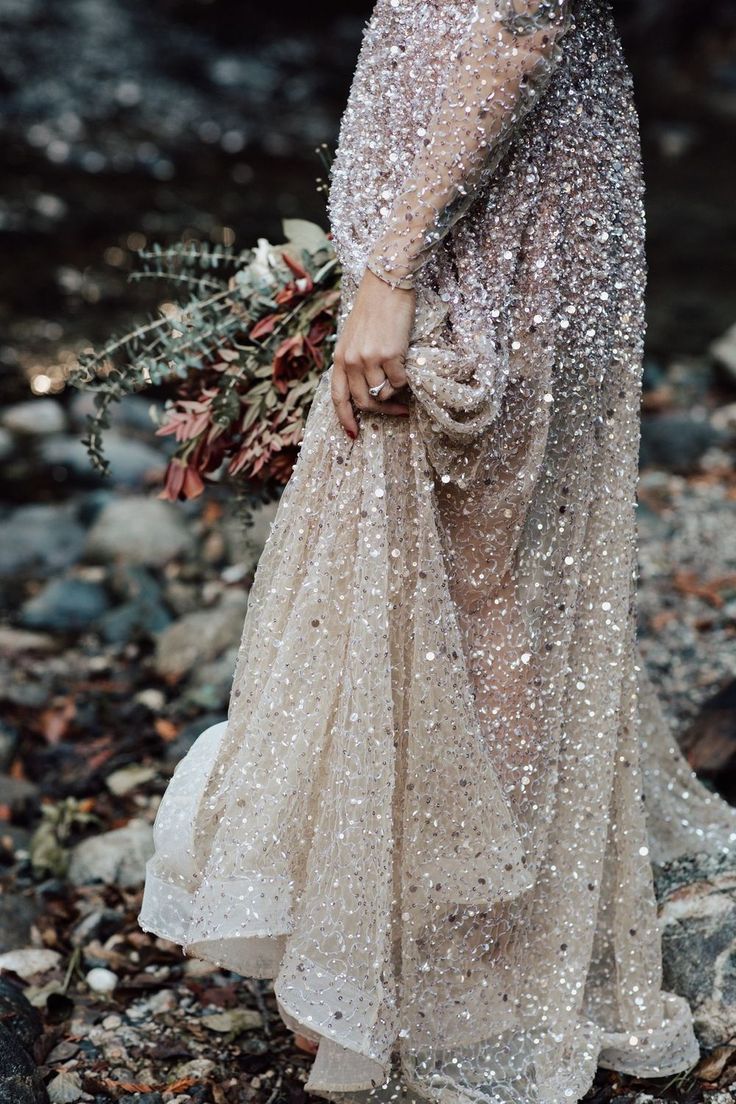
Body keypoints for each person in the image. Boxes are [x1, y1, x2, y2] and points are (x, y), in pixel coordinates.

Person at [139, 1, 736, 1101]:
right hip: (468, 182)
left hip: (499, 213)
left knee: (480, 585)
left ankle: (471, 968)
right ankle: (419, 935)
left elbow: (522, 20)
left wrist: (393, 266)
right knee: (462, 579)